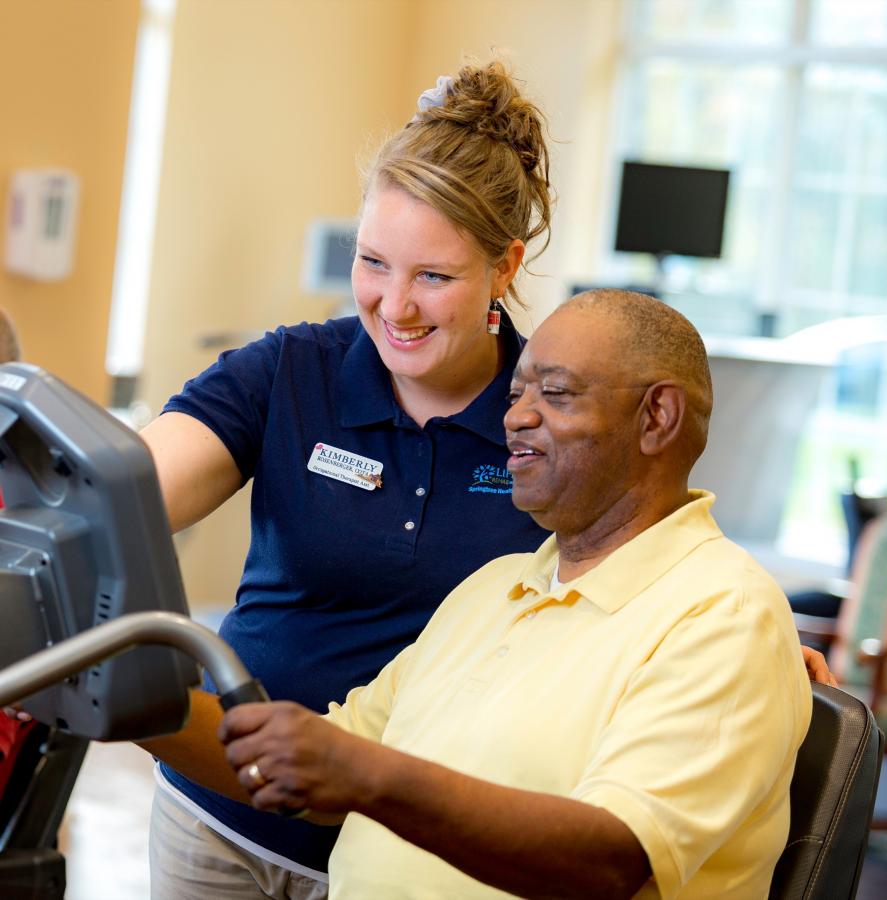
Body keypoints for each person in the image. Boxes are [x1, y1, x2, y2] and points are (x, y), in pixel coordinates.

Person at [217, 290, 813, 899]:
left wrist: (370, 778)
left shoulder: (725, 615)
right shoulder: (493, 587)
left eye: (554, 394)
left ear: (656, 417)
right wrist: (147, 710)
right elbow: (325, 767)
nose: (516, 417)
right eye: (514, 395)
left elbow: (609, 862)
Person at [139, 61, 554, 898]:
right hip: (217, 820)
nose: (394, 306)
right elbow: (130, 492)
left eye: (433, 277)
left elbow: (655, 564)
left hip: (404, 861)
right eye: (373, 262)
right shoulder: (290, 372)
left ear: (504, 267)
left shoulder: (552, 418)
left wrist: (752, 646)